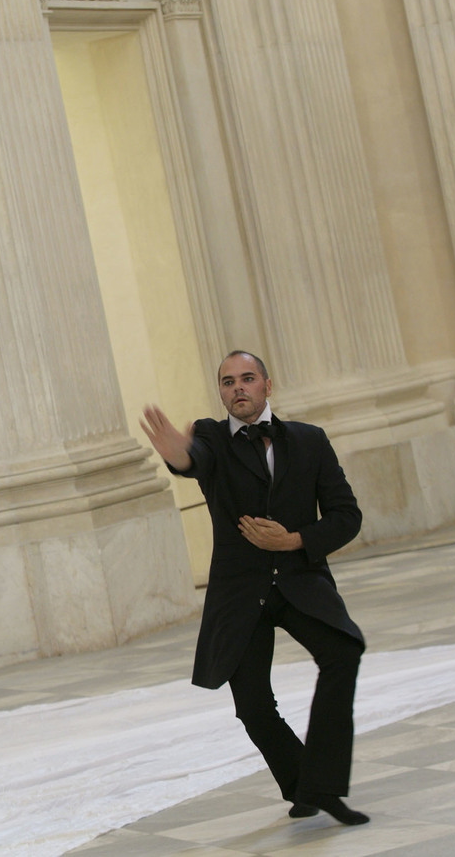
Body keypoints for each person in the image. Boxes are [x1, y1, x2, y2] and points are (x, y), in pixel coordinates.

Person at [141, 351, 370, 826]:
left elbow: (347, 516)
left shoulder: (309, 441)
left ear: (268, 383)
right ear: (221, 392)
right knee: (252, 706)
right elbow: (193, 460)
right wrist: (178, 455)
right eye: (228, 382)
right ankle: (303, 785)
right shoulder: (210, 437)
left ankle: (322, 785)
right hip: (240, 591)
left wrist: (296, 540)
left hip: (299, 582)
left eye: (247, 379)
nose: (237, 389)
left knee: (343, 651)